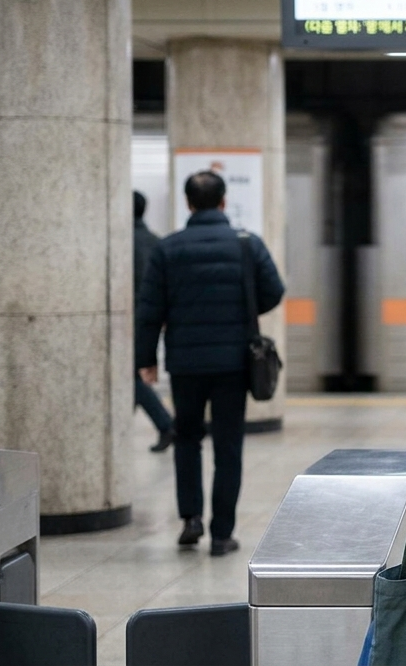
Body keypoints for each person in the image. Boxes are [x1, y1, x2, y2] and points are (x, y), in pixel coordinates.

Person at [136, 171, 284, 557]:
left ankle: (190, 520)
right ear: (223, 202)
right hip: (234, 362)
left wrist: (147, 359)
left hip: (185, 363)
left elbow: (150, 310)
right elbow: (274, 291)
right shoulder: (246, 244)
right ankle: (222, 534)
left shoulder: (168, 249)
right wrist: (245, 309)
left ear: (188, 203)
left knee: (187, 439)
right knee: (228, 446)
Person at [133, 191, 175, 453]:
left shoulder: (119, 243)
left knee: (130, 378)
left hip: (130, 318)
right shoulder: (158, 243)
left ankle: (165, 424)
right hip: (152, 318)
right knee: (132, 377)